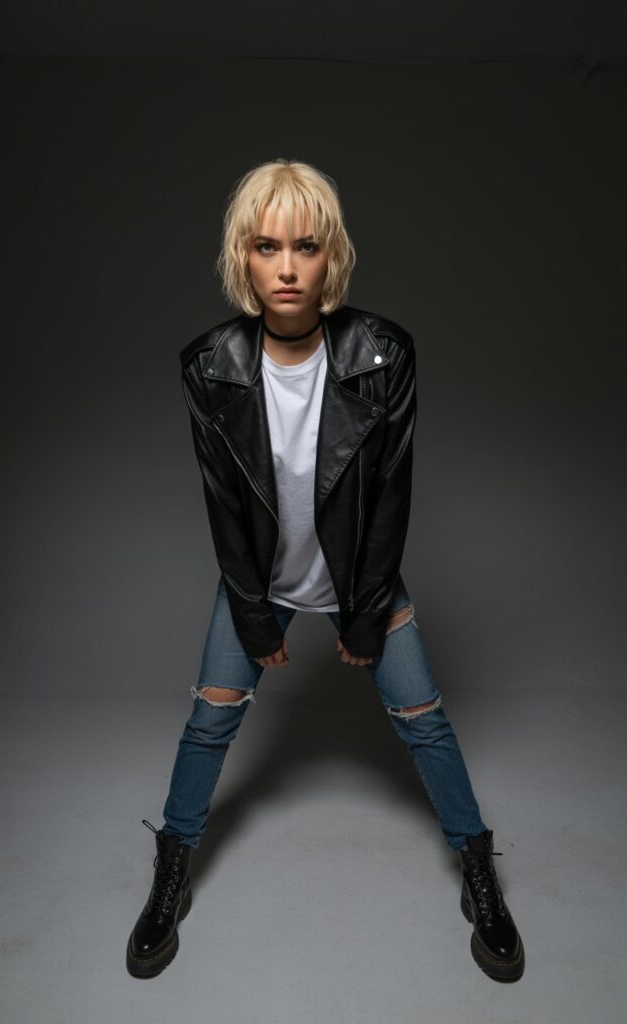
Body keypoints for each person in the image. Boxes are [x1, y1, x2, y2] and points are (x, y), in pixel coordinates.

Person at [126, 158, 525, 982]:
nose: (285, 267)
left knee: (425, 721)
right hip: (259, 577)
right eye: (267, 246)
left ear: (330, 257)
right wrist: (253, 614)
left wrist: (366, 610)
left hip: (359, 577)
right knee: (208, 723)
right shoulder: (211, 366)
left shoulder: (383, 355)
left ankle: (478, 867)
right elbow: (225, 511)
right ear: (243, 257)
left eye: (304, 246)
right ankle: (171, 867)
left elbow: (390, 498)